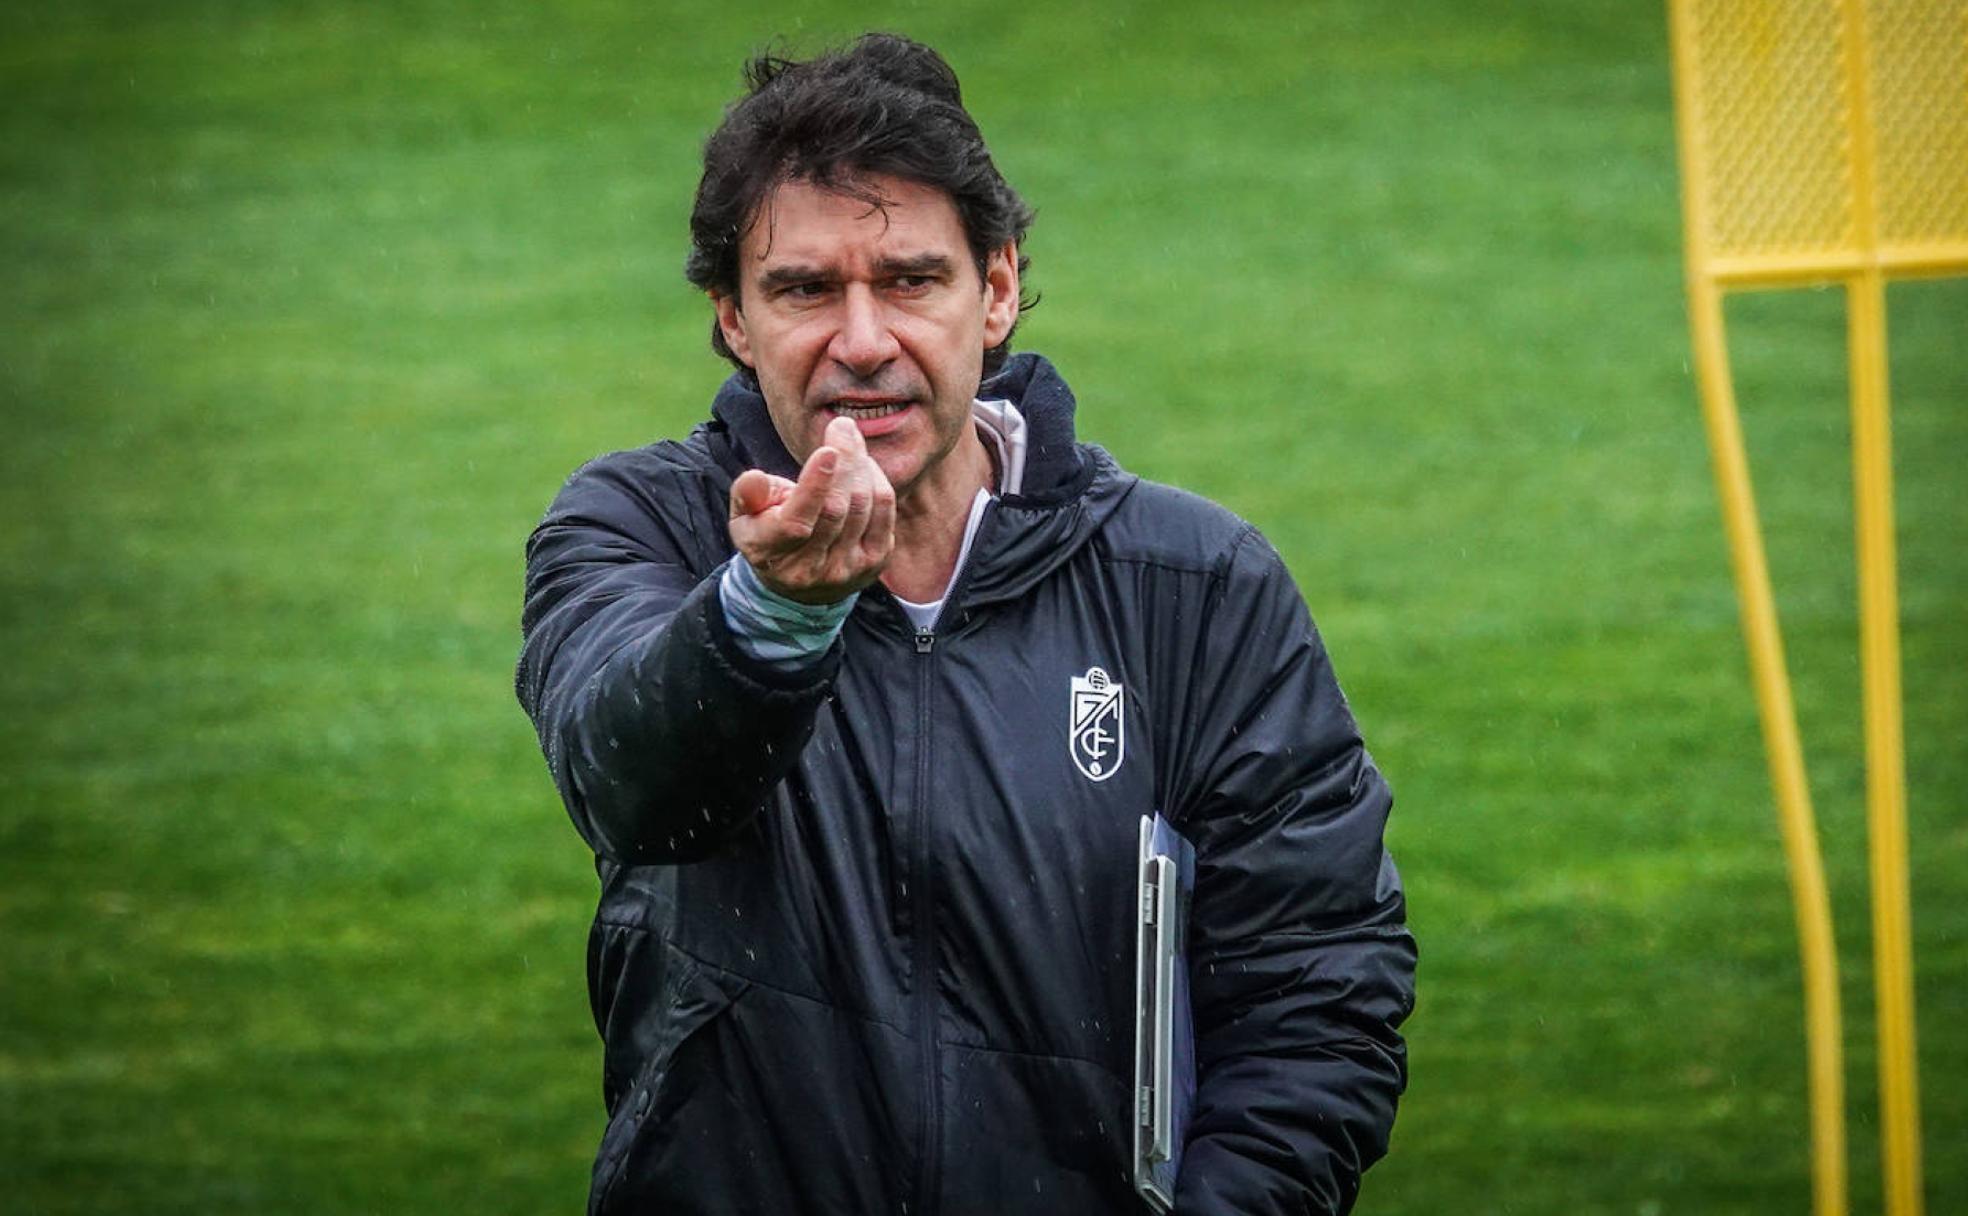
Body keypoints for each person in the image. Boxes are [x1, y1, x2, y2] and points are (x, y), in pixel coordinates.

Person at [516, 33, 1415, 1216]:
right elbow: (629, 782)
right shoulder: (642, 529)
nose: (862, 340)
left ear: (994, 293)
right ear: (732, 317)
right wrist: (773, 615)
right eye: (803, 289)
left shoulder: (1195, 585)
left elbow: (1318, 988)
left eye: (909, 279)